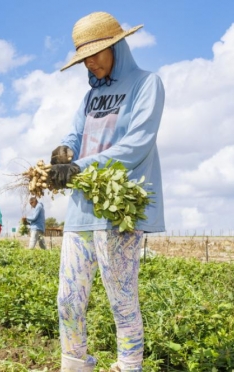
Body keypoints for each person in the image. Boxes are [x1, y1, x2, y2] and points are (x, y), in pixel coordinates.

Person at [48, 12, 165, 372]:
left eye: (98, 52)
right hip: (82, 209)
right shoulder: (89, 98)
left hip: (120, 210)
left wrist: (82, 166)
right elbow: (74, 135)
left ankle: (128, 366)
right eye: (86, 55)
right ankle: (75, 363)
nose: (91, 61)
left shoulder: (147, 84)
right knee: (68, 298)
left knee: (121, 298)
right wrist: (63, 154)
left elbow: (137, 144)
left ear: (117, 45)